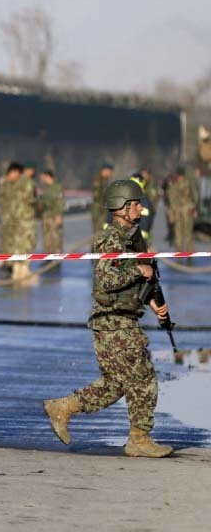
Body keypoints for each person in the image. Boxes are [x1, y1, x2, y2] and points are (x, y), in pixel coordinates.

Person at [43, 179, 173, 458]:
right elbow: (109, 279)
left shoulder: (133, 238)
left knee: (115, 384)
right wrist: (140, 271)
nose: (140, 208)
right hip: (114, 322)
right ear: (120, 208)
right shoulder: (110, 239)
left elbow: (141, 279)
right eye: (135, 204)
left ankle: (63, 407)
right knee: (142, 379)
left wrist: (153, 302)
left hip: (121, 319)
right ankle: (139, 438)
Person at [167, 166, 198, 253]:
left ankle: (190, 254)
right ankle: (179, 255)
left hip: (187, 210)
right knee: (179, 234)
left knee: (188, 234)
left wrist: (194, 208)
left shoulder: (188, 184)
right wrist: (171, 214)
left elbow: (194, 196)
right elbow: (171, 200)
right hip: (178, 211)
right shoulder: (174, 185)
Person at [37, 169, 64, 255]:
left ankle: (56, 258)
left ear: (47, 176)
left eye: (42, 176)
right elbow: (42, 202)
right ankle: (48, 256)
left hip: (54, 215)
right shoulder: (45, 188)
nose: (41, 178)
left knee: (55, 236)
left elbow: (59, 201)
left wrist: (58, 215)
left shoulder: (56, 187)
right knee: (47, 237)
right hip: (46, 216)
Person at [91, 163, 114, 235]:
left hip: (102, 211)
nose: (111, 174)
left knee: (103, 232)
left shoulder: (105, 181)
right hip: (99, 211)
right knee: (99, 232)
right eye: (110, 172)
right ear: (105, 171)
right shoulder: (99, 180)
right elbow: (97, 197)